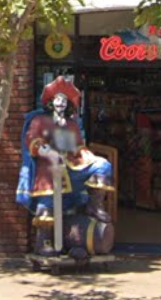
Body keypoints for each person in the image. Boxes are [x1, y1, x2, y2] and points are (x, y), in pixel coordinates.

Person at [16, 77, 113, 256]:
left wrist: (87, 157)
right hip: (49, 170)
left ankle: (94, 205)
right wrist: (46, 151)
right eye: (57, 99)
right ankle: (43, 242)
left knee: (103, 165)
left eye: (64, 100)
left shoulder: (72, 125)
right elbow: (32, 140)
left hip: (71, 169)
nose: (61, 103)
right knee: (48, 204)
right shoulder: (39, 121)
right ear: (51, 102)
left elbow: (77, 147)